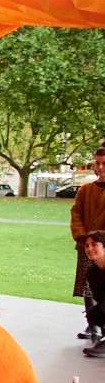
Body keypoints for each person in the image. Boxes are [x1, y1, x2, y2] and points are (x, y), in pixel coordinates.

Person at [72, 146, 105, 342]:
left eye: (104, 163)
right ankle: (94, 326)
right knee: (88, 287)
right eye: (97, 163)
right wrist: (83, 238)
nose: (100, 167)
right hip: (87, 246)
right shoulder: (86, 190)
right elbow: (76, 214)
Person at [83, 230, 105, 358]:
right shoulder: (92, 273)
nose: (90, 248)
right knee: (94, 313)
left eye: (94, 244)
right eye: (87, 245)